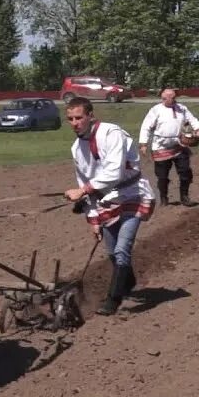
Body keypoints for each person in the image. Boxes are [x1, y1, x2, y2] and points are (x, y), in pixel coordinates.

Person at [62, 97, 156, 316]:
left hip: (132, 195)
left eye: (79, 117)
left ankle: (113, 299)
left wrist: (83, 191)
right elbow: (85, 185)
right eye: (70, 119)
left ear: (90, 115)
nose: (75, 123)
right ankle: (128, 280)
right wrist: (93, 218)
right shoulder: (77, 148)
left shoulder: (111, 133)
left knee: (122, 250)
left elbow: (114, 172)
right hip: (106, 201)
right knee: (113, 253)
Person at [137, 88, 199, 206]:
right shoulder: (155, 110)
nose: (174, 99)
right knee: (162, 177)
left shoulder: (182, 108)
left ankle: (184, 197)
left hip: (179, 145)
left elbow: (192, 120)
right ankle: (164, 198)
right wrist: (143, 143)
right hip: (160, 147)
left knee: (185, 172)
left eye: (174, 97)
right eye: (171, 98)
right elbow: (146, 126)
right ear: (164, 98)